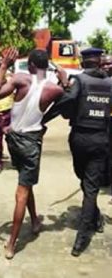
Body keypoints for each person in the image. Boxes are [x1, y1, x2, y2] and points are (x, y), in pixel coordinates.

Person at [0, 49, 64, 259]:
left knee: (25, 180)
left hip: (13, 139)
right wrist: (63, 79)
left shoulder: (20, 79)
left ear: (30, 64)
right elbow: (65, 101)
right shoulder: (53, 89)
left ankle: (33, 222)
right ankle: (12, 243)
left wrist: (3, 66)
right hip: (31, 142)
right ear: (46, 66)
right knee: (22, 191)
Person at [43, 48, 111, 257]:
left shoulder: (80, 81)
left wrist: (41, 120)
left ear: (83, 62)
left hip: (80, 139)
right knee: (88, 184)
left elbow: (64, 103)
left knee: (87, 184)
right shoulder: (109, 84)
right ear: (99, 62)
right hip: (101, 140)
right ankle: (95, 216)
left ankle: (81, 237)